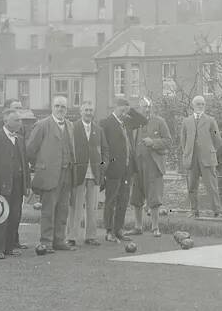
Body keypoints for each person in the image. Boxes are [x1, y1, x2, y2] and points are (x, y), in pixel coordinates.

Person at [25, 95, 76, 253]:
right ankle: (46, 242)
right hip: (49, 174)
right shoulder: (42, 125)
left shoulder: (70, 125)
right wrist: (41, 165)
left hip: (67, 173)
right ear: (52, 108)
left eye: (63, 107)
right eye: (57, 106)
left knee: (63, 209)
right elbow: (30, 149)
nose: (60, 109)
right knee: (48, 210)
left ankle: (59, 240)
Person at [0, 107, 29, 259]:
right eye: (16, 120)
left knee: (15, 216)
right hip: (1, 186)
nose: (20, 123)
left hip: (17, 185)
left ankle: (9, 247)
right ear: (6, 121)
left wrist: (26, 185)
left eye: (20, 120)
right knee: (0, 215)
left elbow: (24, 163)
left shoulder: (20, 139)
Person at [100, 96, 147, 242]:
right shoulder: (106, 123)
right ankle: (109, 231)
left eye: (125, 109)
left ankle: (119, 230)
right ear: (115, 107)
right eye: (121, 108)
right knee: (111, 200)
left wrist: (131, 109)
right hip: (113, 168)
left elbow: (143, 121)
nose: (123, 111)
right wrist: (104, 168)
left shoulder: (127, 121)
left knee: (123, 200)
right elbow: (103, 148)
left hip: (128, 168)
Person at [131, 97, 171, 237]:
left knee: (154, 197)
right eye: (144, 107)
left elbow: (168, 141)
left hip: (153, 165)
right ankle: (138, 227)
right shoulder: (133, 123)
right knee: (136, 197)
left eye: (149, 107)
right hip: (136, 165)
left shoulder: (160, 122)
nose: (147, 109)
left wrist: (153, 142)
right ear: (139, 108)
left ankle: (155, 228)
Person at [66, 100, 104, 247]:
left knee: (92, 207)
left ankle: (91, 236)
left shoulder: (98, 129)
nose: (88, 113)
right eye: (86, 110)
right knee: (75, 206)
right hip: (78, 173)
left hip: (94, 173)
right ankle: (72, 237)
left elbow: (105, 151)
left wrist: (102, 167)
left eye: (90, 110)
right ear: (81, 112)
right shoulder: (73, 127)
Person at [180, 95, 222, 218]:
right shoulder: (186, 121)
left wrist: (210, 150)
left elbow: (217, 138)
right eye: (198, 104)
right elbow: (183, 139)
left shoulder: (210, 120)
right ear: (193, 105)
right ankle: (194, 211)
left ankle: (217, 211)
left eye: (203, 104)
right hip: (192, 158)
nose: (201, 106)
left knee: (212, 185)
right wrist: (187, 152)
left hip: (207, 158)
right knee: (192, 186)